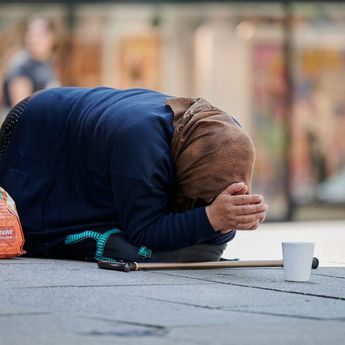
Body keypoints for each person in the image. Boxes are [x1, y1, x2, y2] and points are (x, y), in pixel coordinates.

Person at [0, 87, 268, 263]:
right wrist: (211, 218)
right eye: (202, 199)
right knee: (32, 225)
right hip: (35, 132)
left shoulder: (221, 133)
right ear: (192, 174)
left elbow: (202, 227)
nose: (204, 204)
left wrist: (229, 220)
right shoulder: (143, 145)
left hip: (82, 135)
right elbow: (145, 229)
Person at [2, 16, 59, 109]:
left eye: (40, 34)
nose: (34, 39)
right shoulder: (22, 64)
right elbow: (20, 107)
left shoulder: (47, 62)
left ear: (52, 36)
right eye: (31, 34)